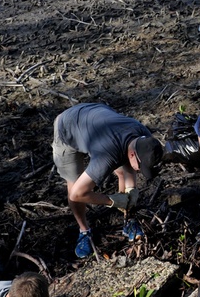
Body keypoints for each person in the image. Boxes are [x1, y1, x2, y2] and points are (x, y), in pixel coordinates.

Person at [51, 103, 163, 258]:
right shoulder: (107, 155)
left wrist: (132, 190)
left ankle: (128, 220)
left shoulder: (144, 136)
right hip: (66, 129)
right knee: (74, 184)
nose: (140, 171)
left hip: (96, 118)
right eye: (141, 167)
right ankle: (84, 231)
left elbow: (129, 162)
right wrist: (112, 201)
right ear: (132, 155)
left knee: (122, 172)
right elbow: (77, 194)